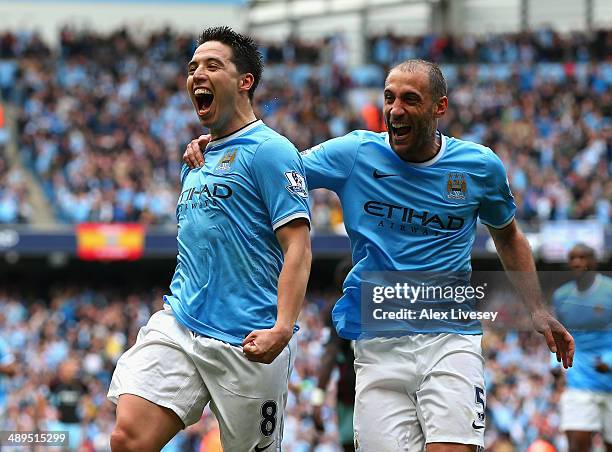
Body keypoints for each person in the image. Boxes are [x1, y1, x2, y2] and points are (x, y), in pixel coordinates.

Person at [184, 58, 574, 452]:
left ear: (440, 107)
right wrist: (220, 145)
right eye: (389, 98)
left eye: (410, 99)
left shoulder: (478, 167)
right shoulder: (355, 153)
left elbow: (508, 236)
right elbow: (272, 169)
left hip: (449, 338)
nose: (395, 110)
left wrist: (537, 308)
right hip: (377, 343)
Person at [108, 26, 312, 452]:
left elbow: (298, 246)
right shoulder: (196, 159)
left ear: (245, 82)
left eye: (212, 65)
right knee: (128, 439)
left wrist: (282, 328)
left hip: (248, 341)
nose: (197, 73)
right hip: (181, 322)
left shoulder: (271, 151)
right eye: (192, 67)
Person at [552, 243, 612, 452]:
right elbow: (560, 334)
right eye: (572, 258)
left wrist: (609, 360)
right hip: (579, 379)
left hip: (609, 378)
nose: (576, 262)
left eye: (582, 257)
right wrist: (555, 363)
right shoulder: (561, 296)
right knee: (577, 445)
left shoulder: (609, 291)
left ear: (594, 262)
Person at [312, 259, 356, 452]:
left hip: (352, 393)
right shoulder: (381, 302)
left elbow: (330, 356)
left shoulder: (339, 308)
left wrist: (317, 401)